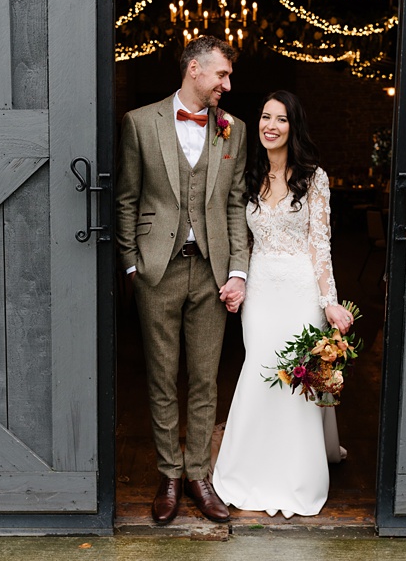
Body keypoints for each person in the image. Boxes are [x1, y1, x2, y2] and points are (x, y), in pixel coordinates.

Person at [115, 36, 250, 524]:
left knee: (204, 378)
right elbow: (127, 199)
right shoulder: (139, 122)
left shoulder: (234, 130)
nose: (227, 85)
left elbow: (234, 204)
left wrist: (238, 270)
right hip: (158, 270)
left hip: (212, 272)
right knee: (161, 376)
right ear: (194, 69)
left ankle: (199, 475)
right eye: (221, 75)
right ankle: (169, 474)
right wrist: (132, 265)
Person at [211, 90, 353, 518]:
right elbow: (243, 238)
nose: (270, 125)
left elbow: (320, 243)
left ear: (294, 126)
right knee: (258, 372)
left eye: (281, 119)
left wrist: (329, 301)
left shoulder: (313, 177)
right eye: (265, 117)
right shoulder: (249, 174)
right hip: (260, 292)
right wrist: (236, 282)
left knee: (294, 379)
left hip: (298, 291)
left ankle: (297, 474)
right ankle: (247, 468)